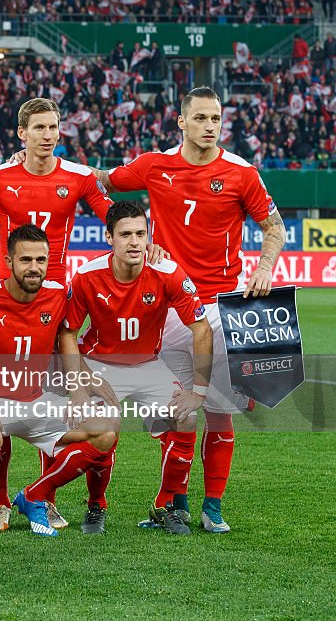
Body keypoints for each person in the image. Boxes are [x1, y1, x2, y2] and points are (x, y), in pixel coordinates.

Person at [97, 86, 286, 532]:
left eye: (216, 119)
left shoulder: (241, 173)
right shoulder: (155, 165)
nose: (210, 127)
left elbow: (273, 228)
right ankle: (174, 502)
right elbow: (103, 181)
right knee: (171, 408)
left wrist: (263, 268)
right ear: (181, 121)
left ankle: (212, 506)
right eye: (200, 118)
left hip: (223, 305)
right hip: (167, 307)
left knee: (217, 408)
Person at [0, 97, 116, 532]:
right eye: (40, 128)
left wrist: (149, 242)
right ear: (22, 133)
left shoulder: (79, 177)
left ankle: (42, 496)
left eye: (54, 127)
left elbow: (113, 218)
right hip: (4, 299)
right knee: (1, 399)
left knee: (46, 399)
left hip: (55, 301)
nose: (48, 135)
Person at [0, 224, 117, 538]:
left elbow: (65, 338)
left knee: (105, 431)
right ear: (8, 261)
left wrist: (81, 386)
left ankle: (33, 496)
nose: (34, 267)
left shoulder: (58, 294)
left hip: (36, 400)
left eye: (41, 260)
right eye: (26, 260)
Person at [61, 201, 213, 535]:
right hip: (100, 365)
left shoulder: (168, 272)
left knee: (185, 416)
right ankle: (96, 506)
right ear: (109, 238)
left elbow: (202, 329)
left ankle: (165, 505)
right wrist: (77, 388)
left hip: (148, 365)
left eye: (141, 234)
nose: (134, 242)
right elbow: (68, 334)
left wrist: (198, 392)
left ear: (149, 237)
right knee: (105, 428)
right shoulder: (87, 275)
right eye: (126, 234)